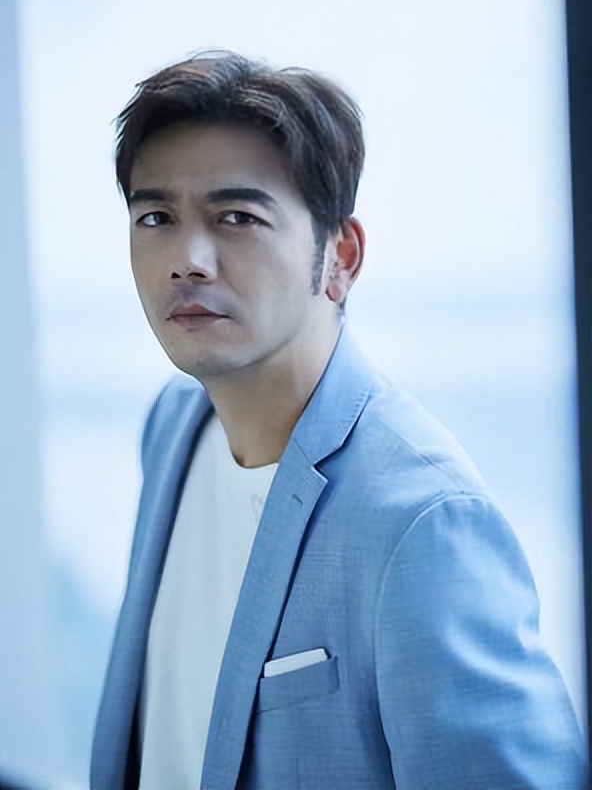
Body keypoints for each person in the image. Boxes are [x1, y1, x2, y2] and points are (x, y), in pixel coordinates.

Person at [90, 51, 587, 790]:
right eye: (156, 217)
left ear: (340, 257)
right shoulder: (173, 428)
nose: (187, 260)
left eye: (237, 217)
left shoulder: (423, 519)